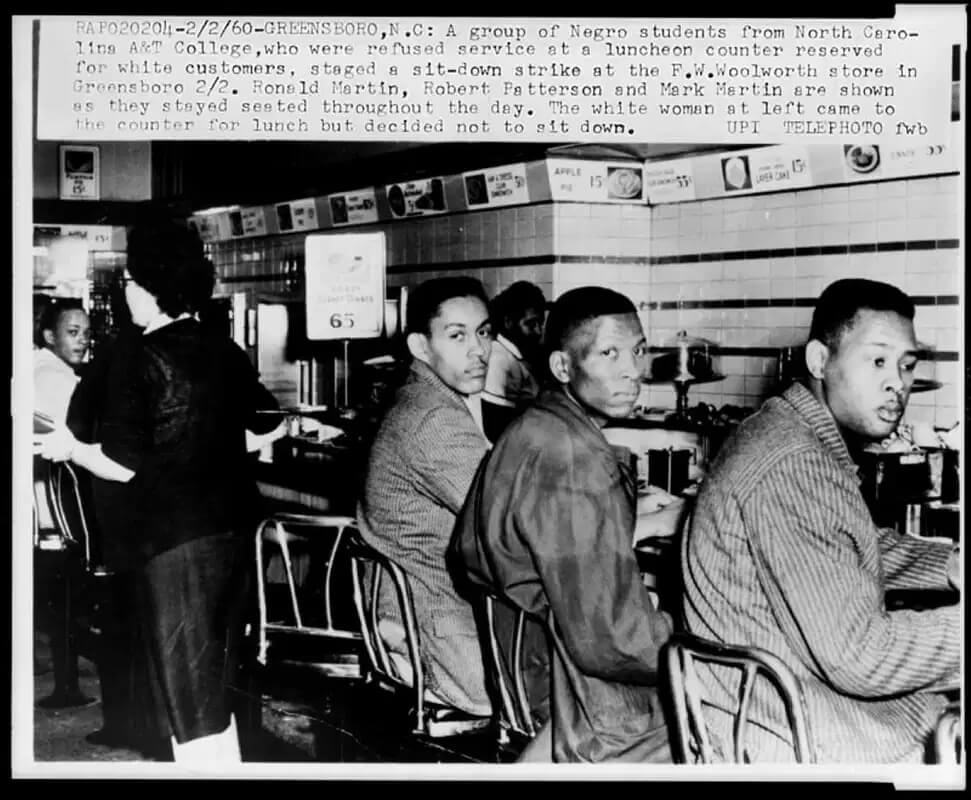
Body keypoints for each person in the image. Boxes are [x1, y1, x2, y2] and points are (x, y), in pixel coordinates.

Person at [681, 278, 961, 763]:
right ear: (818, 361)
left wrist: (950, 564)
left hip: (751, 708)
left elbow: (845, 544)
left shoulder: (780, 429)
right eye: (877, 361)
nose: (897, 381)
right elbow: (861, 657)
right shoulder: (795, 460)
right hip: (786, 735)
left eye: (907, 364)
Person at [38, 218, 285, 765]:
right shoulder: (222, 348)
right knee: (217, 688)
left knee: (186, 700)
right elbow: (266, 425)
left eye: (129, 281)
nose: (126, 291)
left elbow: (123, 467)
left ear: (148, 288)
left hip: (172, 544)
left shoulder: (136, 356)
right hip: (234, 536)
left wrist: (66, 449)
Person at [450, 286, 685, 763]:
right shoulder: (574, 458)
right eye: (608, 353)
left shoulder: (537, 427)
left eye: (637, 351)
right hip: (571, 684)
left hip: (525, 659)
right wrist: (692, 642)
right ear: (562, 367)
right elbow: (613, 640)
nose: (631, 371)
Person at [357, 276, 494, 718]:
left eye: (484, 332)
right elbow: (517, 518)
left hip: (415, 620)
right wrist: (647, 521)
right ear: (420, 346)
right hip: (441, 641)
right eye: (457, 336)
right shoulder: (434, 419)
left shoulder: (426, 399)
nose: (479, 350)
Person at [32, 299, 96, 709]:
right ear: (50, 336)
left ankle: (66, 682)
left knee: (57, 597)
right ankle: (68, 686)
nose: (83, 340)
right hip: (56, 508)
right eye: (73, 332)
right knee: (69, 594)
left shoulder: (34, 368)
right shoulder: (61, 380)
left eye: (87, 333)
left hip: (38, 506)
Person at [481, 281, 546, 442]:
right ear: (509, 322)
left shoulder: (518, 356)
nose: (538, 331)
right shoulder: (500, 359)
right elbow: (495, 428)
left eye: (540, 324)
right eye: (531, 324)